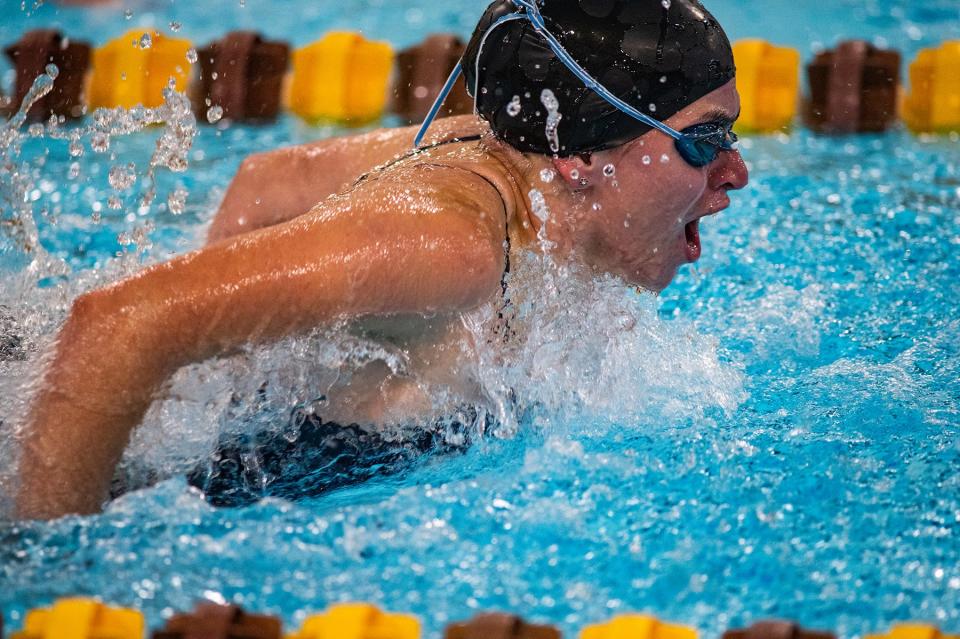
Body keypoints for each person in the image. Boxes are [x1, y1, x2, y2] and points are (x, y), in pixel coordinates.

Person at [14, 0, 748, 520]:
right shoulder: (452, 246)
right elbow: (118, 322)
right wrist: (54, 565)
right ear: (583, 155)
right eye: (706, 141)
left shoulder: (504, 156)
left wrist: (226, 371)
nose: (737, 173)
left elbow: (268, 180)